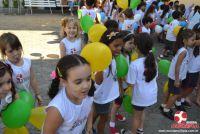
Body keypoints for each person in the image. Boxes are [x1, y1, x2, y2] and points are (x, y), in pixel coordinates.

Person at [43, 55, 94, 134]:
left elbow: (89, 107)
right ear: (64, 82)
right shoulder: (57, 109)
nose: (86, 86)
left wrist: (89, 125)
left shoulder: (87, 94)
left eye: (88, 79)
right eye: (78, 82)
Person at [160, 29, 196, 120]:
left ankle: (164, 104)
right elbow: (177, 66)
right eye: (192, 40)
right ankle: (166, 109)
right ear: (184, 40)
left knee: (169, 90)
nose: (194, 42)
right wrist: (177, 79)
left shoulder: (181, 48)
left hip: (174, 76)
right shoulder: (183, 51)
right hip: (176, 77)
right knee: (176, 94)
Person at [126, 33, 158, 134]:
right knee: (142, 111)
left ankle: (133, 132)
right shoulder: (153, 61)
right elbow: (155, 77)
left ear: (136, 47)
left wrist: (123, 78)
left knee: (136, 116)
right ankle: (140, 129)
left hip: (140, 96)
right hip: (151, 94)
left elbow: (130, 83)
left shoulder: (134, 64)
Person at [93, 29, 124, 134]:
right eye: (116, 46)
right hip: (101, 97)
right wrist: (100, 67)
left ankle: (87, 129)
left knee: (97, 115)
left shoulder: (112, 57)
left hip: (106, 95)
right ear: (106, 45)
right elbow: (98, 81)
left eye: (121, 45)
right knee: (103, 118)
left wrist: (119, 88)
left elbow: (114, 75)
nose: (119, 49)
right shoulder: (103, 60)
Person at [0, 33, 43, 106]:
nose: (16, 53)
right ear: (4, 53)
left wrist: (38, 93)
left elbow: (33, 79)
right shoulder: (6, 67)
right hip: (12, 100)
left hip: (27, 97)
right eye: (11, 51)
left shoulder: (27, 62)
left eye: (17, 49)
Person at [109, 31, 134, 133]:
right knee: (117, 104)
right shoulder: (120, 57)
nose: (132, 46)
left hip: (124, 85)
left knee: (118, 103)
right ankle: (111, 124)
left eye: (133, 43)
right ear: (122, 43)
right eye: (130, 43)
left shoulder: (127, 55)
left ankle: (116, 114)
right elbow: (120, 75)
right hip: (119, 86)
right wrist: (123, 87)